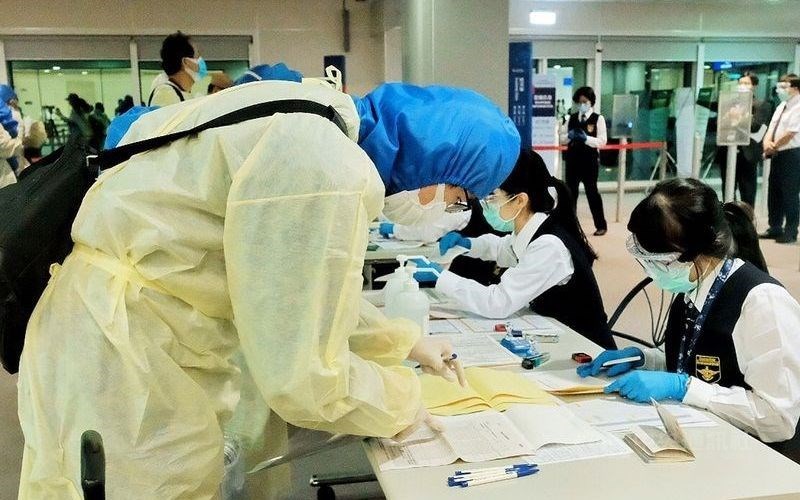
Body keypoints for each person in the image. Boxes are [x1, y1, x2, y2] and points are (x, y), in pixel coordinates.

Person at [17, 80, 520, 498]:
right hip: (124, 352)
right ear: (430, 165)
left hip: (110, 322)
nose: (452, 211)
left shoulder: (310, 115)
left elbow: (292, 288)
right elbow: (305, 382)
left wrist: (404, 341)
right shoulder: (326, 168)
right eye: (458, 197)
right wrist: (406, 398)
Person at [579, 178, 800, 463]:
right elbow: (696, 356)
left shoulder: (762, 303)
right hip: (701, 440)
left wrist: (684, 387)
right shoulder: (693, 285)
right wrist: (646, 359)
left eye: (658, 262)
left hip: (757, 458)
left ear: (693, 255)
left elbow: (777, 418)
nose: (652, 271)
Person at [413, 149, 616, 349]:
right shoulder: (533, 229)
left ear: (520, 199)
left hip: (587, 350)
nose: (484, 205)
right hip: (560, 337)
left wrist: (440, 277)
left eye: (491, 197)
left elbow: (497, 302)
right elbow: (504, 248)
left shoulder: (549, 247)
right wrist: (468, 244)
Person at [720, 73, 772, 208]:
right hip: (728, 150)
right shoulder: (729, 103)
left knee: (747, 190)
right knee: (728, 189)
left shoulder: (761, 105)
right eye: (741, 83)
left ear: (754, 86)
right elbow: (721, 122)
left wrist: (738, 116)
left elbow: (756, 125)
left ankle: (748, 219)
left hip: (748, 153)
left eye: (746, 83)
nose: (742, 86)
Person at [563, 86, 608, 236]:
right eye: (579, 102)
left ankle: (601, 225)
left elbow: (602, 141)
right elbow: (562, 138)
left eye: (584, 101)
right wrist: (569, 136)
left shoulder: (598, 119)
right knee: (571, 194)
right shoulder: (572, 118)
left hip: (589, 162)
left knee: (592, 193)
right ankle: (570, 225)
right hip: (572, 161)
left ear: (591, 102)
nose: (582, 104)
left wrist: (586, 138)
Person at [761, 74, 800, 243]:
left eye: (784, 86)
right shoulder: (782, 106)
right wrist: (767, 143)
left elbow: (791, 133)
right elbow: (771, 127)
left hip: (791, 154)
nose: (780, 89)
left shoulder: (798, 106)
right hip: (777, 153)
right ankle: (775, 226)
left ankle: (791, 231)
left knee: (789, 192)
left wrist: (774, 145)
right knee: (774, 191)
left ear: (795, 87)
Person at [148, 31, 205, 107]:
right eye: (197, 56)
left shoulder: (184, 94)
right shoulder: (166, 94)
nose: (201, 61)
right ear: (186, 62)